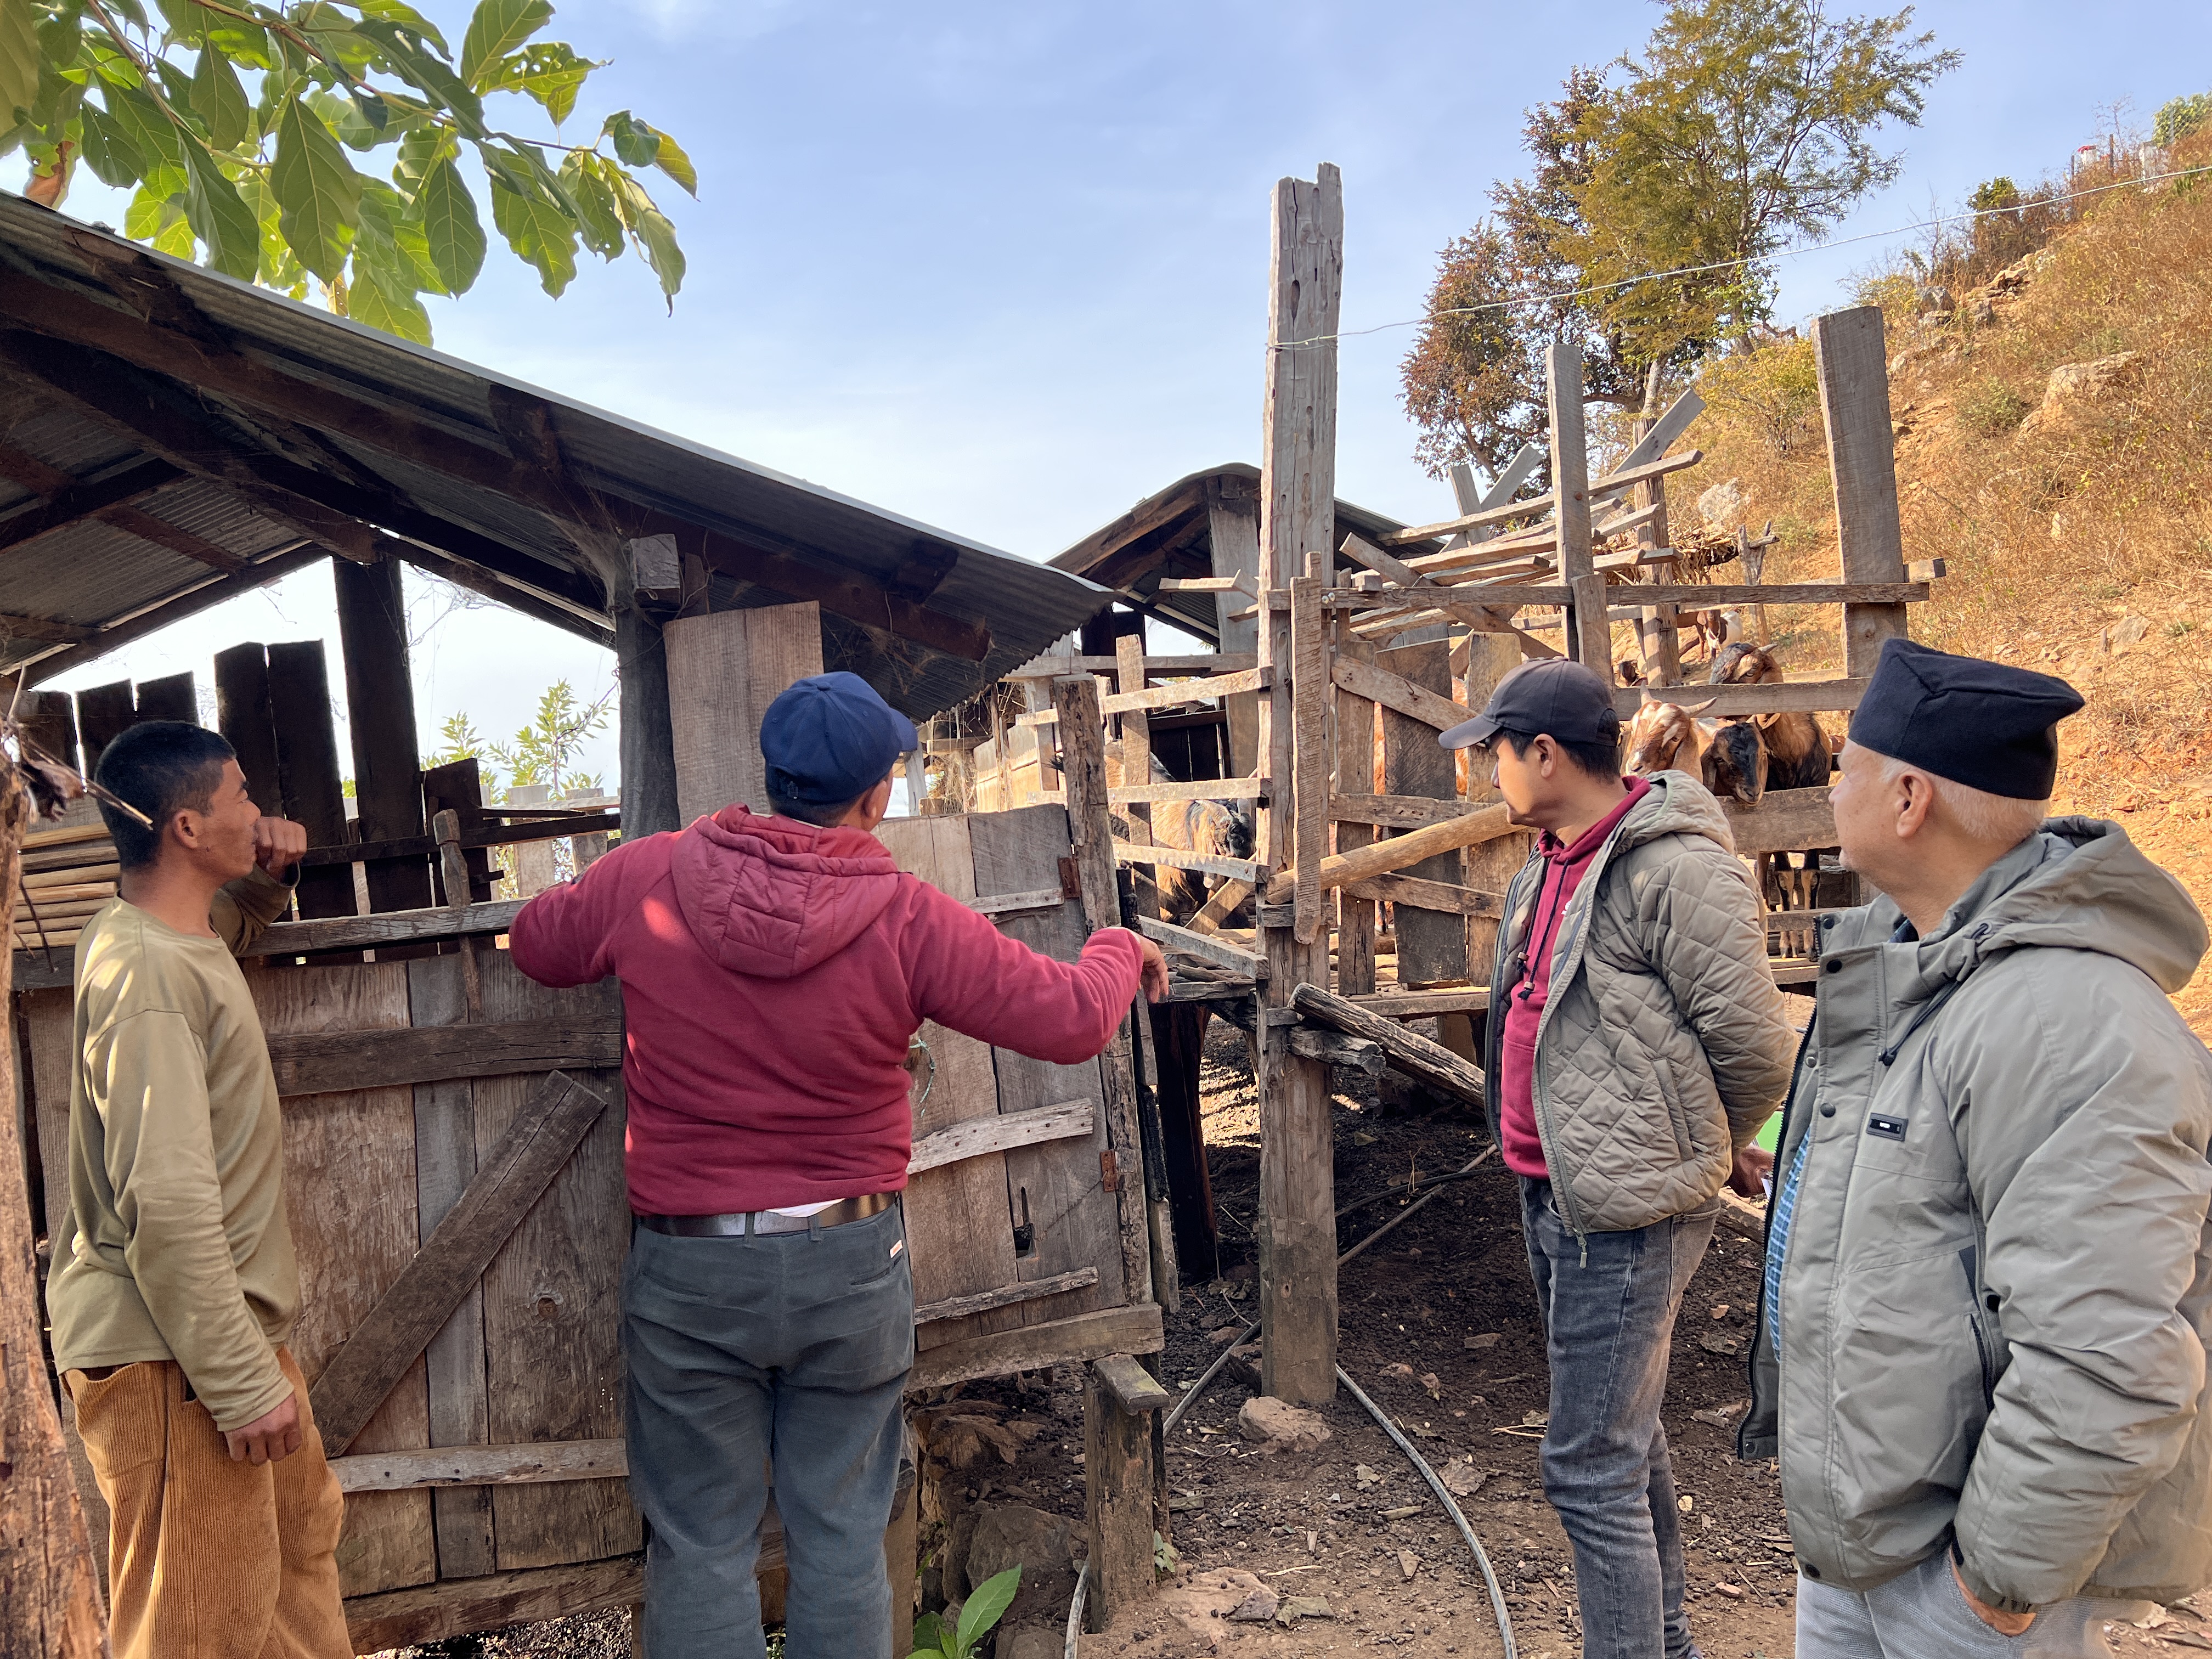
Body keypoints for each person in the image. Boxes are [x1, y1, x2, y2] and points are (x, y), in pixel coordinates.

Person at [507, 670, 1170, 1659]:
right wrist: (1120, 943)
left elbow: (533, 943)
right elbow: (1071, 1019)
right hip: (848, 1264)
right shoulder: (906, 916)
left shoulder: (649, 877)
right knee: (843, 1540)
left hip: (691, 1274)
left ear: (772, 778)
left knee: (698, 1547)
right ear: (875, 797)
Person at [1742, 638, 2212, 1657]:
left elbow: (2109, 1349)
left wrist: (1997, 1578)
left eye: (1846, 770)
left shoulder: (2064, 1019)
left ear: (1909, 799)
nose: (1830, 793)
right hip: (1861, 1546)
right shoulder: (1896, 966)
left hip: (1962, 1588)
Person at [1438, 659, 1798, 1659]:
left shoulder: (1674, 868)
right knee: (1622, 1446)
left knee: (1587, 1466)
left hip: (1627, 1211)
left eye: (1496, 753)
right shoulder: (1551, 859)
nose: (1491, 772)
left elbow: (1758, 1047)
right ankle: (1667, 1643)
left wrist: (1715, 1141)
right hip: (1558, 1190)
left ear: (1544, 754)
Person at [44, 722, 347, 1659]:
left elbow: (232, 926)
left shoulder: (167, 933)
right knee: (195, 1632)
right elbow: (167, 1213)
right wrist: (241, 1382)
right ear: (185, 826)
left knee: (293, 1587)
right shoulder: (145, 976)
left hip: (215, 1348)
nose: (261, 813)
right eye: (243, 798)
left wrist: (267, 873)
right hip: (174, 1363)